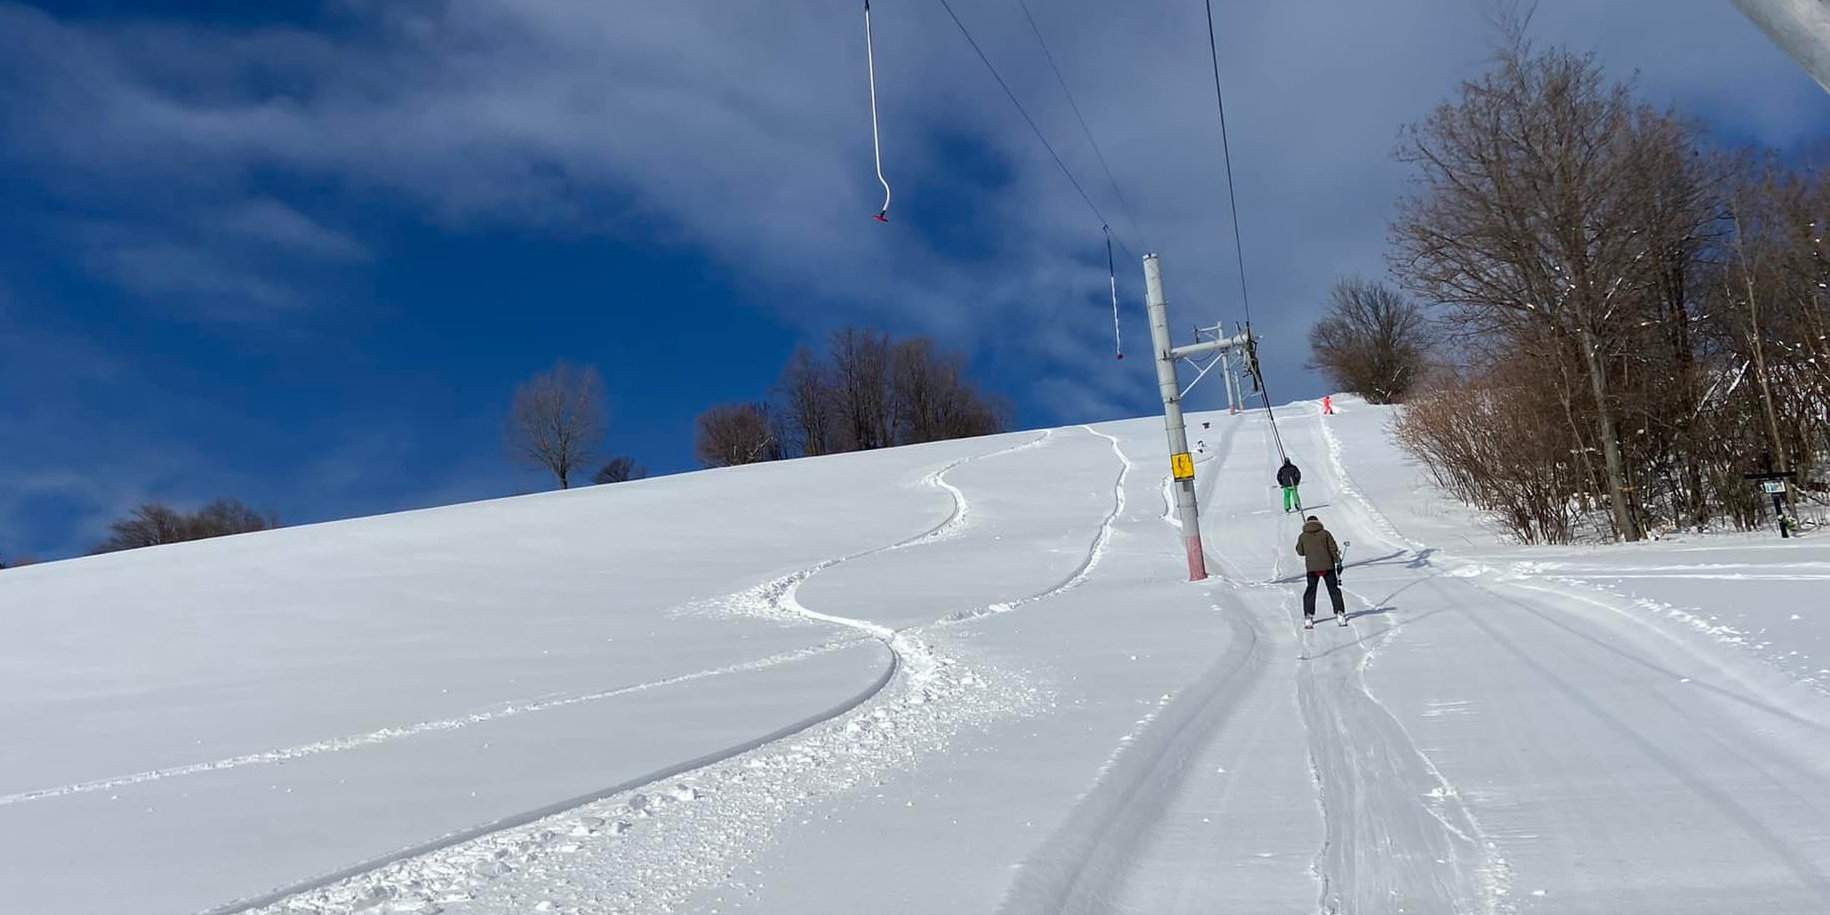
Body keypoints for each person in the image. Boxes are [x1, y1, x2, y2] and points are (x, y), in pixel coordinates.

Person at [1295, 515, 1345, 626]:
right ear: (1318, 522)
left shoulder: (1303, 536)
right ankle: (1340, 613)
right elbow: (1333, 548)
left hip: (1312, 568)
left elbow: (1300, 552)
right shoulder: (1325, 533)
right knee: (1333, 590)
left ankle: (1308, 616)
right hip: (1328, 566)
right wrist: (1338, 561)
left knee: (1311, 591)